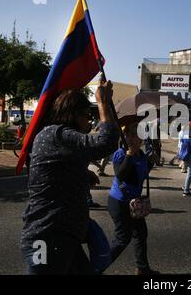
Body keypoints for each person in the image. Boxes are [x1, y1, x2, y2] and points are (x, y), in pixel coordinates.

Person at [20, 83, 118, 275]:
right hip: (47, 238)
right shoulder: (56, 134)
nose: (89, 122)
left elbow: (55, 170)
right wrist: (103, 103)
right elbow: (105, 143)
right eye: (86, 115)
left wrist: (81, 174)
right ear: (73, 114)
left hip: (64, 237)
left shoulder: (56, 138)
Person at [107, 124, 159, 275]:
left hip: (133, 202)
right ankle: (96, 267)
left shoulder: (141, 155)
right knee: (122, 239)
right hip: (119, 202)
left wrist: (150, 162)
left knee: (141, 233)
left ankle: (142, 268)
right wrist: (129, 156)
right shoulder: (121, 154)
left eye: (135, 135)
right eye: (128, 135)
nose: (131, 138)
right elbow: (121, 176)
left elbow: (138, 177)